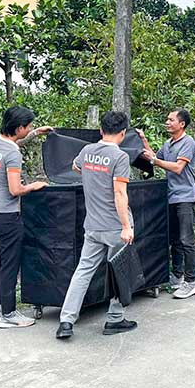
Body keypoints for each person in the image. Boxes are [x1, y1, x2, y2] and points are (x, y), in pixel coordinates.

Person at [56, 111, 138, 339]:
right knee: (119, 272)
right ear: (123, 133)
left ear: (101, 130)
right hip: (114, 227)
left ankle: (66, 320)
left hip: (92, 226)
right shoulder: (120, 158)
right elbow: (120, 194)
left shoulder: (87, 151)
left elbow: (75, 167)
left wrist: (92, 175)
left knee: (83, 271)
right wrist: (126, 226)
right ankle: (114, 319)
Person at [0, 106, 51, 329]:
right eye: (28, 126)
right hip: (6, 217)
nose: (29, 128)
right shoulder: (13, 154)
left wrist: (35, 134)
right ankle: (8, 314)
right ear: (19, 127)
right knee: (9, 265)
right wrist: (34, 186)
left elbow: (12, 146)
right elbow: (14, 190)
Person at [139, 108, 195, 299]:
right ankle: (178, 276)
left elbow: (178, 168)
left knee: (186, 240)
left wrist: (155, 161)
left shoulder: (187, 142)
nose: (167, 122)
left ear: (181, 124)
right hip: (171, 197)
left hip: (185, 198)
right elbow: (153, 157)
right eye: (167, 119)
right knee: (174, 240)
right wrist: (142, 139)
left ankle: (191, 282)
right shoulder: (168, 143)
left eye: (171, 120)